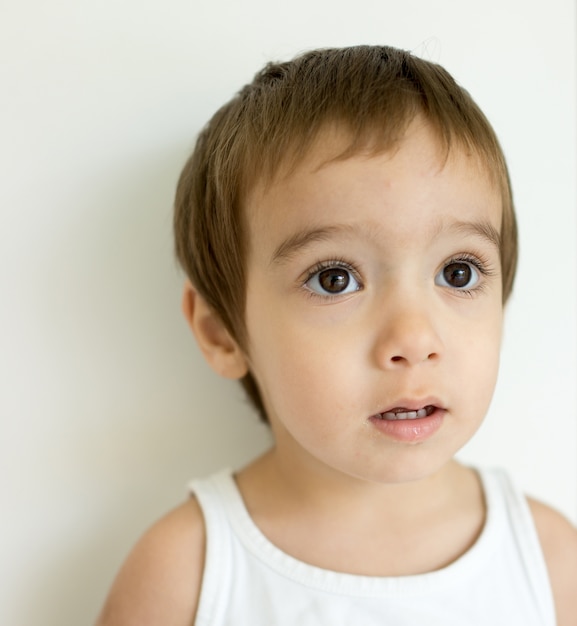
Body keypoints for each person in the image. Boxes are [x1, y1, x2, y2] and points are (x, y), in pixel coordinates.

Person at [96, 45, 577, 625]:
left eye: (458, 272)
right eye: (334, 278)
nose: (414, 338)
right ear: (223, 332)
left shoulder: (549, 562)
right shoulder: (186, 574)